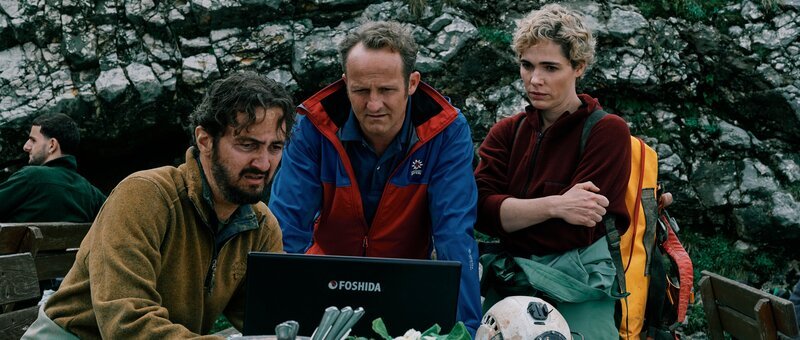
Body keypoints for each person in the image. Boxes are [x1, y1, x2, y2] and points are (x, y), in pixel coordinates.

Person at [22, 72, 293, 339]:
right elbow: (126, 324)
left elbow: (270, 321)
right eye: (247, 145)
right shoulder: (145, 196)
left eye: (275, 147)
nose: (263, 163)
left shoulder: (261, 227)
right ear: (205, 140)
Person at [268, 21, 481, 335]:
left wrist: (467, 331)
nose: (373, 104)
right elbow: (285, 228)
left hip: (406, 281)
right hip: (327, 278)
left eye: (386, 90)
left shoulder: (447, 130)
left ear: (412, 83)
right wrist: (274, 318)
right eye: (361, 90)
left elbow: (454, 234)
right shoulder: (313, 126)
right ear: (345, 83)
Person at [473, 4, 631, 339]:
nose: (535, 79)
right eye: (526, 65)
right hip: (511, 280)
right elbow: (480, 211)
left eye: (550, 67)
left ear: (579, 67)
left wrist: (510, 216)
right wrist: (556, 206)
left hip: (580, 282)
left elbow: (577, 232)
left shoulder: (607, 132)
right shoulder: (506, 133)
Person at [0, 113, 106, 223]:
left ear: (52, 145)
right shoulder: (92, 194)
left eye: (33, 140)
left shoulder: (31, 178)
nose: (26, 146)